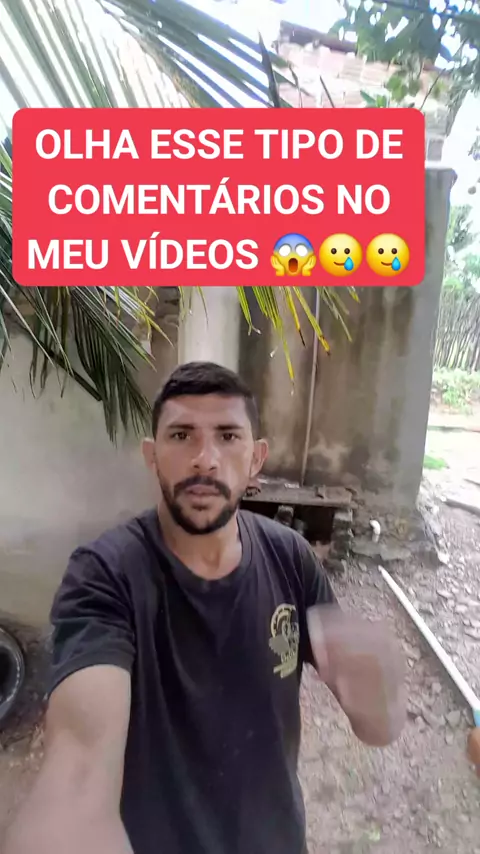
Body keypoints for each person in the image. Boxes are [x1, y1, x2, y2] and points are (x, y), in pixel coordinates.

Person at [5, 361, 406, 854]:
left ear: (256, 458)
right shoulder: (105, 576)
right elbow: (80, 765)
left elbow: (376, 728)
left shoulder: (290, 559)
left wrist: (378, 692)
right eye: (181, 436)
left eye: (228, 436)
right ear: (152, 456)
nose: (204, 459)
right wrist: (69, 817)